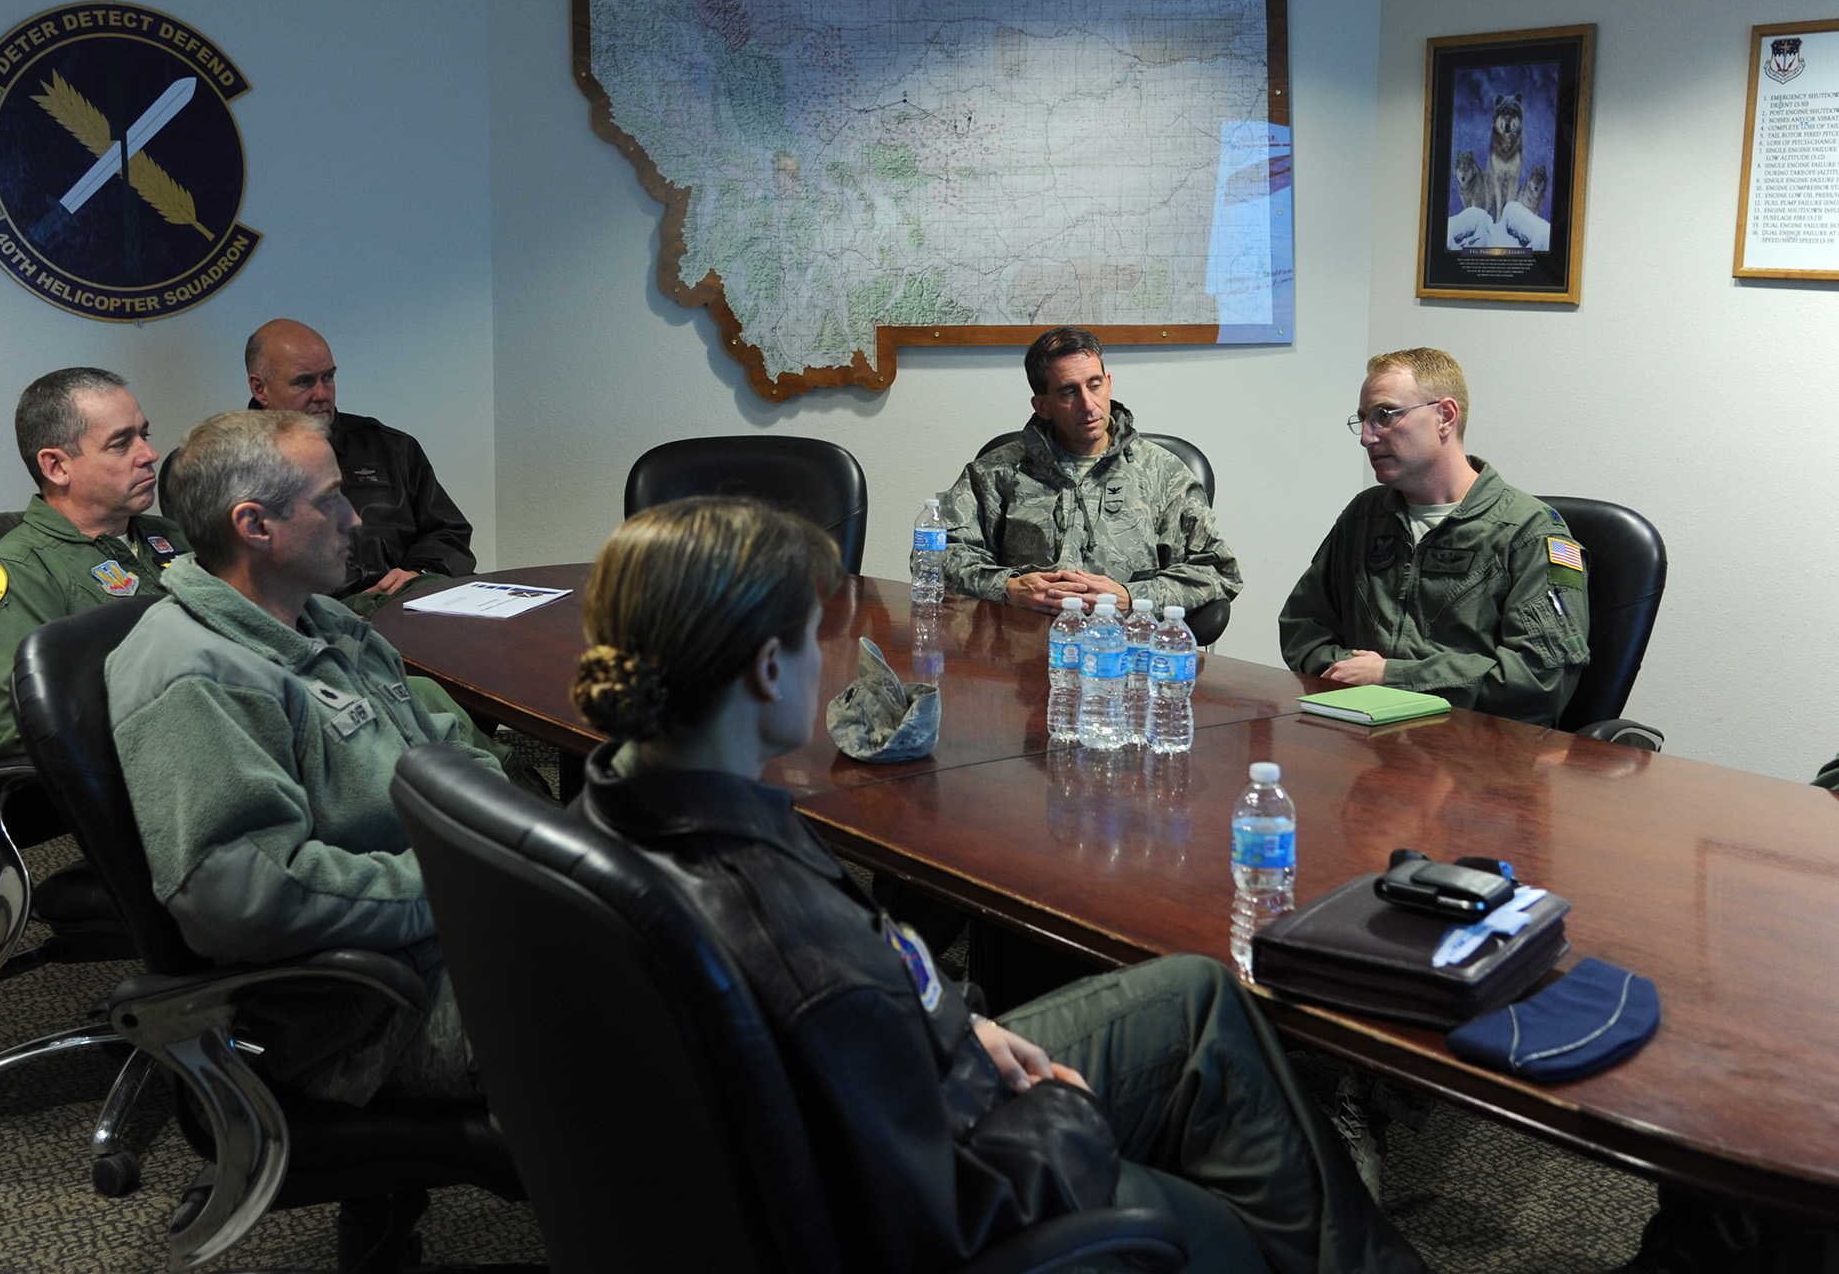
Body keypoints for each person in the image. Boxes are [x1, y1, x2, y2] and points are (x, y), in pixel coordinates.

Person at [567, 496, 1422, 1274]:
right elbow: (948, 1211)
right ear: (765, 669)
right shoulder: (790, 944)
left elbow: (868, 995)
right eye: (810, 637)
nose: (824, 657)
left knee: (1197, 997)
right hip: (981, 1169)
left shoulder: (626, 798)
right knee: (1258, 1232)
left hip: (919, 1065)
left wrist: (958, 1018)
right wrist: (1064, 1116)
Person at [106, 408, 511, 1118]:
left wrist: (518, 849)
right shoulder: (197, 674)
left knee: (666, 946)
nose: (356, 520)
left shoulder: (324, 618)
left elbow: (446, 745)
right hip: (366, 1016)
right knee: (646, 1008)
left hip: (442, 938)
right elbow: (247, 897)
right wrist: (458, 887)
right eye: (330, 501)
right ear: (255, 526)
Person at [1278, 347, 1590, 726]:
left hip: (1478, 744)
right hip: (1363, 731)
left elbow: (1542, 678)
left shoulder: (1529, 533)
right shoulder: (1365, 516)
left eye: (1385, 415)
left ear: (1445, 416)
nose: (1367, 437)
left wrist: (1391, 677)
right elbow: (1303, 625)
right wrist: (1344, 670)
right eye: (1363, 420)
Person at [0, 368, 188, 758]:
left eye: (144, 436)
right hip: (140, 770)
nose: (149, 455)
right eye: (121, 443)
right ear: (57, 467)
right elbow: (8, 724)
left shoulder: (172, 536)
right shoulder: (19, 571)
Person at [941, 326, 1241, 615]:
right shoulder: (997, 472)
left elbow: (1218, 571)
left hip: (1126, 640)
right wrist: (1008, 588)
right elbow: (939, 556)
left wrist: (1132, 598)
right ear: (1042, 405)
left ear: (1108, 383)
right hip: (1021, 639)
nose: (1088, 405)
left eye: (1095, 385)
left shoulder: (1163, 472)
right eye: (1069, 392)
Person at [246, 318, 475, 613]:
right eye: (304, 382)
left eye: (328, 377)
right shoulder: (228, 465)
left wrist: (419, 572)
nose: (321, 394)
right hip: (311, 622)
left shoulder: (390, 447)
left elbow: (449, 533)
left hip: (406, 608)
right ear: (260, 388)